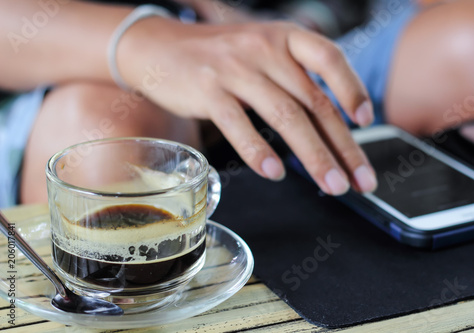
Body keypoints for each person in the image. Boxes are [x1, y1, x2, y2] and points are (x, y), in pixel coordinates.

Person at [0, 0, 378, 208]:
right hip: (42, 55)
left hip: (260, 37)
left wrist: (281, 35)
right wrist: (146, 43)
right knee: (100, 139)